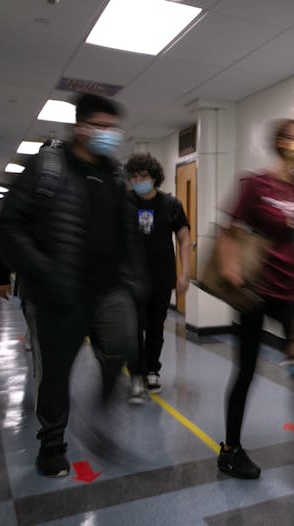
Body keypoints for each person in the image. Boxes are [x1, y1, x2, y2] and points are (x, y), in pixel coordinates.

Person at [0, 93, 142, 477]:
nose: (109, 134)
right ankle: (52, 443)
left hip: (109, 287)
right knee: (56, 373)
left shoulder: (115, 173)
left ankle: (99, 411)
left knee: (122, 347)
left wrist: (130, 275)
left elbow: (124, 229)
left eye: (114, 128)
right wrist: (43, 271)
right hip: (60, 291)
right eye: (101, 126)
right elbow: (9, 226)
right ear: (80, 127)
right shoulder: (48, 167)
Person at [216, 118, 294, 481]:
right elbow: (229, 232)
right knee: (245, 372)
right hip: (255, 291)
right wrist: (230, 270)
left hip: (289, 294)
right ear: (281, 143)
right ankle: (229, 450)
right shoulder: (256, 184)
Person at [124, 153, 190, 402]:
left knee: (155, 326)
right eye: (134, 177)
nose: (139, 181)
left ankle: (153, 370)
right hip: (132, 278)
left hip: (162, 277)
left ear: (155, 178)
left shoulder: (171, 205)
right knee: (134, 329)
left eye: (144, 176)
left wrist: (184, 274)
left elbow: (184, 239)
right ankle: (135, 375)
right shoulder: (124, 203)